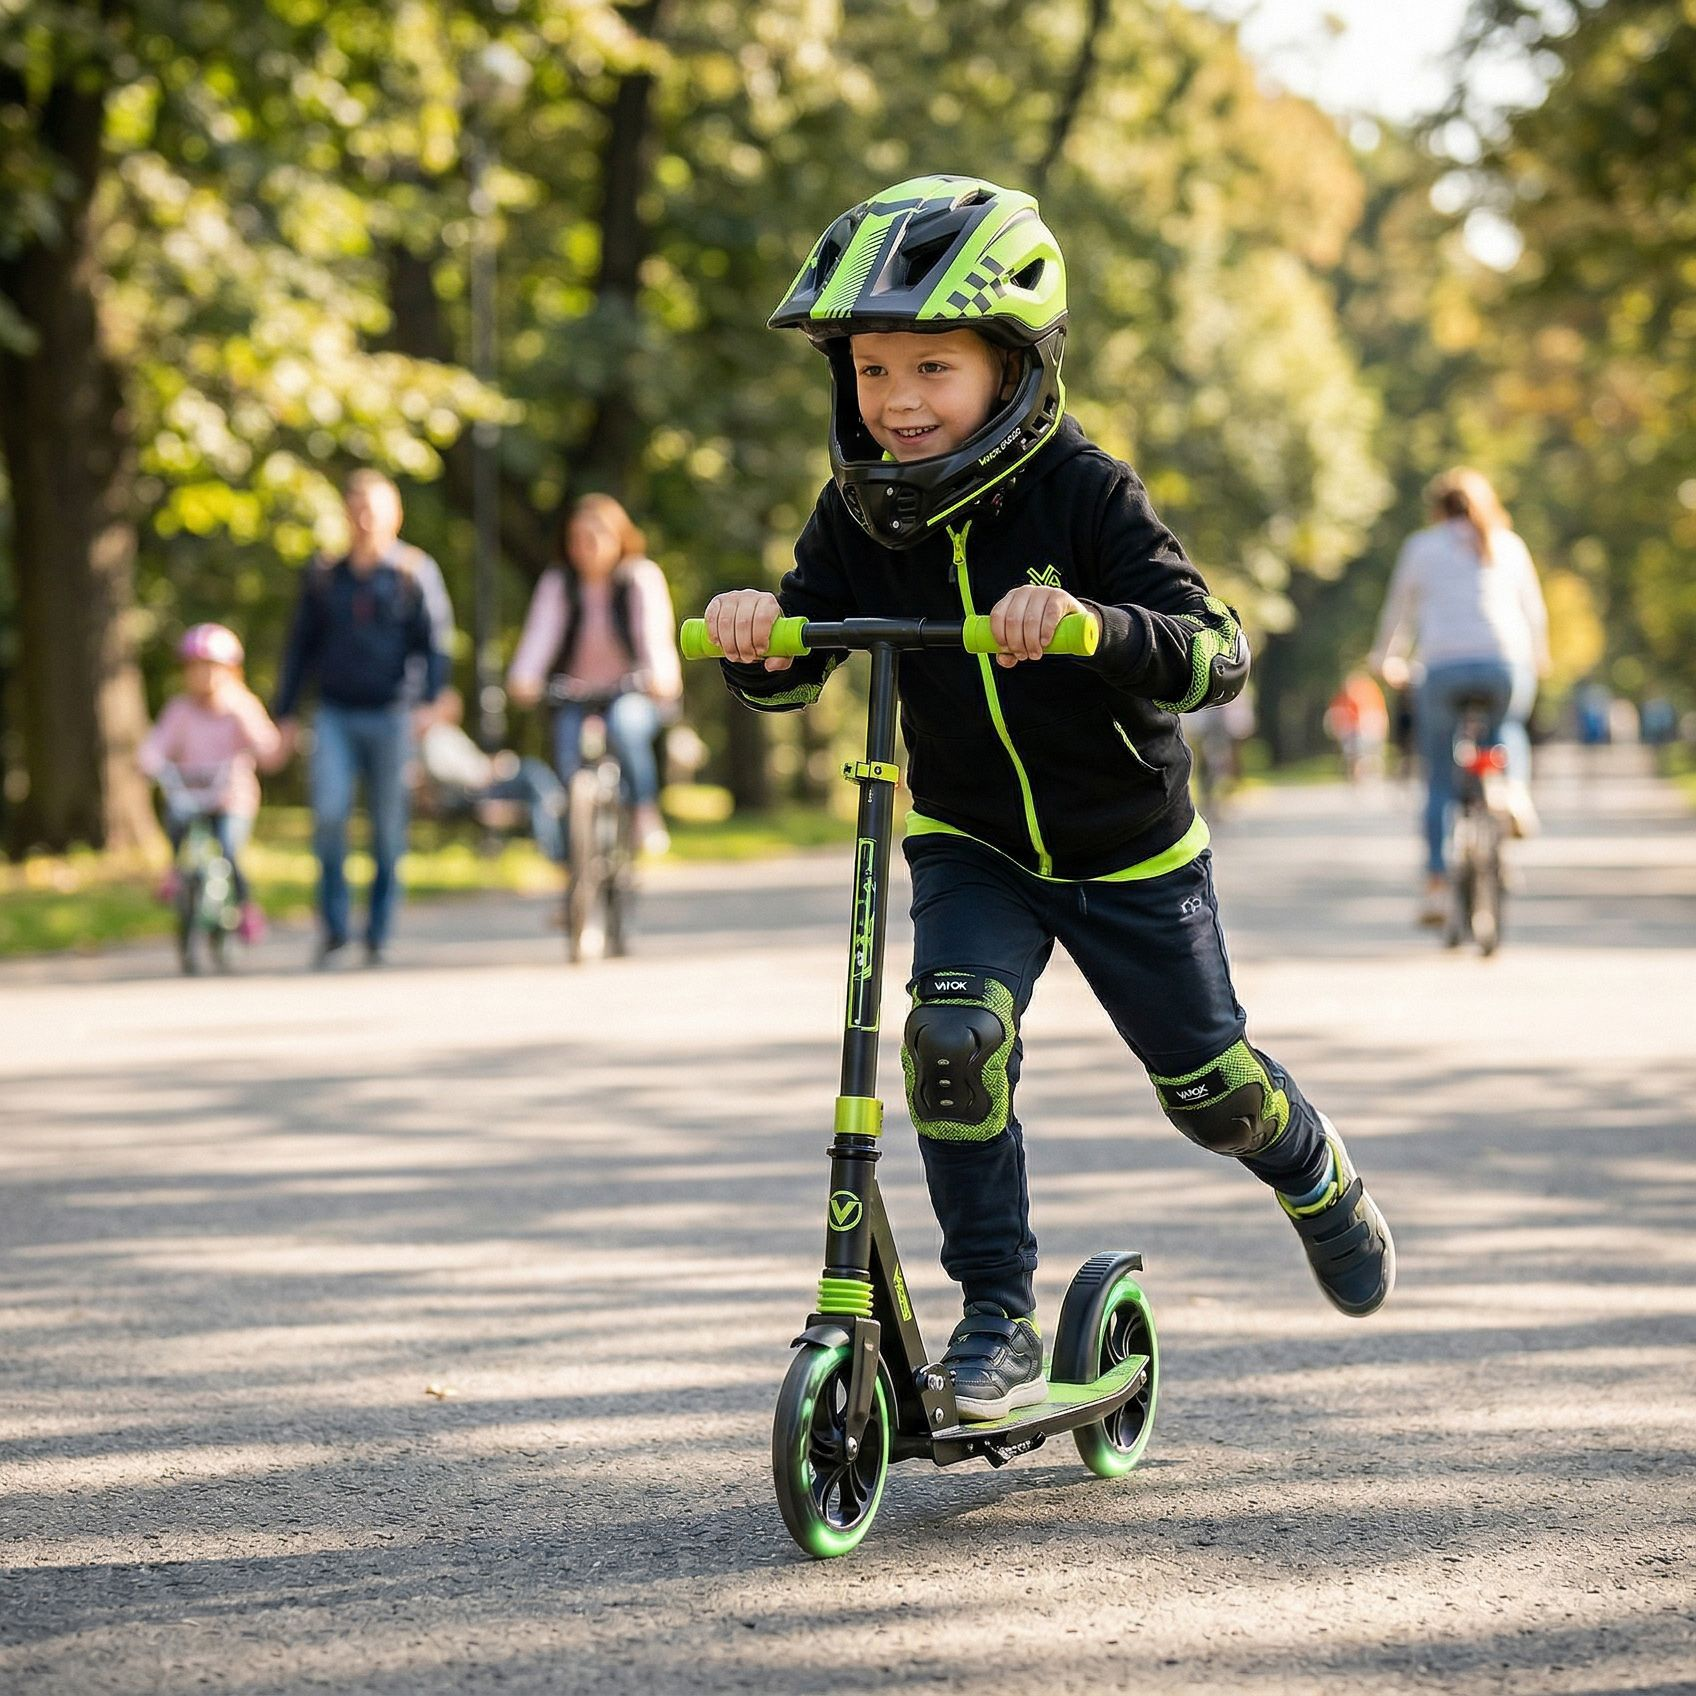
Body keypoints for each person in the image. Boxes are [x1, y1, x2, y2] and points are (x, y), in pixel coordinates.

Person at [705, 176, 1394, 1421]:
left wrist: (1091, 627)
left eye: (932, 369)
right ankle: (997, 1316)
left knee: (1210, 1092)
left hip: (1125, 845)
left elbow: (1213, 647)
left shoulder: (1085, 490)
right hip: (969, 838)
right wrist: (760, 635)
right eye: (870, 371)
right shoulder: (859, 509)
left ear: (1013, 370)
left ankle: (1312, 1169)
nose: (897, 402)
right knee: (951, 1044)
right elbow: (799, 658)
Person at [273, 470, 450, 967]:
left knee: (388, 827)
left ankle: (378, 930)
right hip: (334, 714)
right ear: (346, 516)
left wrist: (432, 701)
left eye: (375, 508)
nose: (366, 519)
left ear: (395, 514)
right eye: (357, 508)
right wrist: (284, 713)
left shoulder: (415, 571)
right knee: (329, 817)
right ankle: (333, 928)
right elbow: (299, 649)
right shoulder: (325, 574)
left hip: (393, 715)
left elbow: (435, 642)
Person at [1370, 468, 1549, 925]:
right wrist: (1539, 658)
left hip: (1441, 669)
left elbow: (1399, 612)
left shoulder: (1422, 546)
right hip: (1504, 664)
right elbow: (1533, 611)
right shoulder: (1508, 544)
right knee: (1506, 729)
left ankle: (1435, 884)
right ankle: (1511, 791)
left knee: (1439, 779)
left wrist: (1385, 659)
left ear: (1437, 508)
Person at [506, 494, 682, 855]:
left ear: (619, 538)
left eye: (595, 537)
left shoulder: (638, 578)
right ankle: (573, 870)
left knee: (625, 726)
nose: (584, 548)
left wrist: (661, 676)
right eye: (576, 539)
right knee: (568, 759)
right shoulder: (559, 583)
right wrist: (524, 678)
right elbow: (541, 635)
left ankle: (643, 811)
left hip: (632, 689)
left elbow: (651, 634)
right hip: (576, 692)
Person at [138, 623, 281, 944]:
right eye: (196, 669)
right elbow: (157, 743)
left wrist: (265, 747)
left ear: (231, 671)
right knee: (176, 821)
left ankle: (245, 907)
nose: (203, 676)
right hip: (191, 793)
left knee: (230, 850)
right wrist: (148, 760)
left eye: (212, 668)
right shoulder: (180, 709)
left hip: (231, 796)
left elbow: (264, 741)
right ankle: (175, 871)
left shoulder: (240, 705)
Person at [415, 687, 567, 863]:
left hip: (483, 780)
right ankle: (555, 833)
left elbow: (470, 762)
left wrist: (490, 763)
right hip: (476, 790)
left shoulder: (450, 733)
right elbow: (446, 770)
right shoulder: (437, 737)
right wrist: (487, 771)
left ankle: (553, 816)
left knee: (537, 791)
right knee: (532, 774)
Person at [1324, 671, 1389, 783]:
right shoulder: (1346, 699)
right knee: (1355, 754)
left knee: (1365, 754)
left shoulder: (1367, 696)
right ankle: (1359, 775)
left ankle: (1367, 775)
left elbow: (1376, 717)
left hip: (1366, 732)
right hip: (1356, 733)